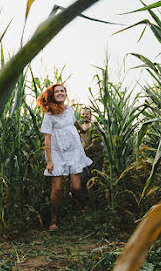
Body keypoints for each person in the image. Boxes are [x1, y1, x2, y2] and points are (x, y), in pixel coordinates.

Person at [36, 84, 92, 231]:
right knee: (57, 188)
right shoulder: (49, 115)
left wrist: (82, 130)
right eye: (57, 91)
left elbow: (73, 122)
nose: (60, 93)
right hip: (57, 152)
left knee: (76, 187)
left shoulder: (69, 109)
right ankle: (53, 220)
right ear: (52, 95)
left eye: (63, 91)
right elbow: (47, 138)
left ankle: (74, 204)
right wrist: (49, 160)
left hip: (73, 150)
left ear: (66, 94)